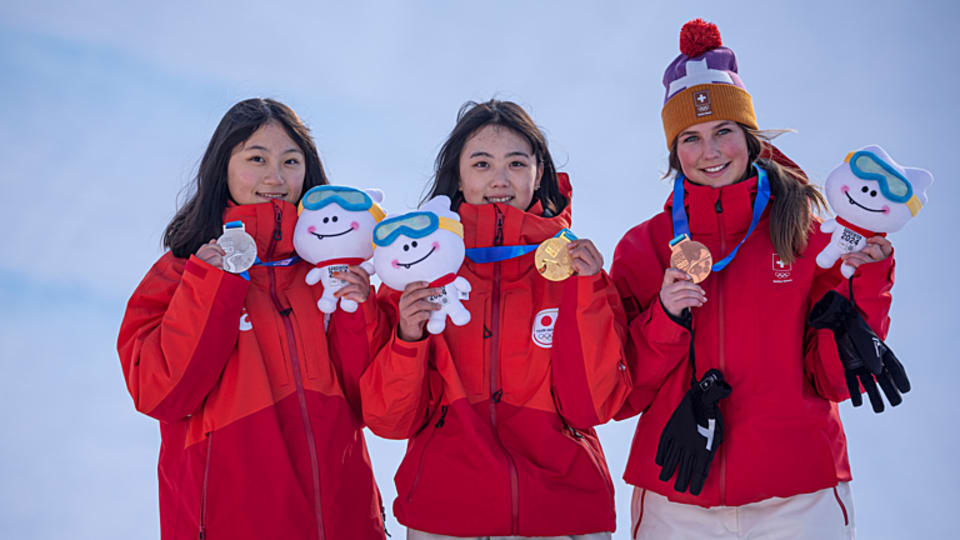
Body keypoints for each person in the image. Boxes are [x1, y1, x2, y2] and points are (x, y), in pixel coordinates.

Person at [610, 20, 895, 540]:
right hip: (678, 495)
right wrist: (665, 319)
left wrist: (866, 282)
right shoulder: (642, 249)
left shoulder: (808, 238)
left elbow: (833, 378)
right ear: (675, 152)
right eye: (691, 138)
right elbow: (621, 393)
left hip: (799, 495)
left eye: (723, 131)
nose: (711, 151)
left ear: (748, 135)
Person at [359, 99, 632, 540]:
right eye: (482, 163)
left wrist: (586, 290)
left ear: (539, 173)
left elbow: (595, 406)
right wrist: (408, 339)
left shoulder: (573, 267)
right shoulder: (416, 266)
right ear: (459, 175)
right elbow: (390, 420)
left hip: (563, 514)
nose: (500, 179)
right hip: (446, 515)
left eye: (516, 163)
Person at [117, 98, 388, 540]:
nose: (275, 177)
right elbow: (160, 393)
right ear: (222, 166)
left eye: (290, 161)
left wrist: (358, 310)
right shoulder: (179, 274)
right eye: (256, 158)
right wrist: (211, 284)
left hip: (346, 521)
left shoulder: (328, 273)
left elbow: (370, 403)